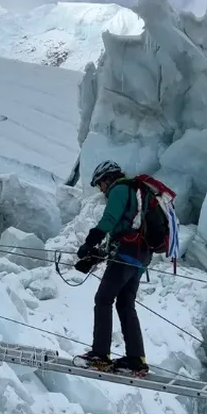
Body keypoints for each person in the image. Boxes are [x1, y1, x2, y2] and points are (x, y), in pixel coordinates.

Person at [75, 160, 150, 377]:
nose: (101, 190)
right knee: (126, 304)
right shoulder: (136, 192)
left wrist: (90, 241)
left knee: (103, 299)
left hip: (128, 252)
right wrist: (98, 254)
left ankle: (100, 355)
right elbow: (125, 226)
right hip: (141, 256)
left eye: (100, 184)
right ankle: (136, 359)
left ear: (107, 179)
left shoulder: (120, 189)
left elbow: (109, 219)